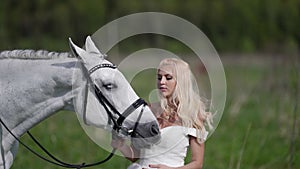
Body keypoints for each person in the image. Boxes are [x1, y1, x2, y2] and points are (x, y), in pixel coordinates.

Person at [111, 58, 213, 169]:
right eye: (159, 77)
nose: (162, 82)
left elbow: (197, 163)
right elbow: (135, 155)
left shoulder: (193, 114)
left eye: (168, 78)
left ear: (181, 81)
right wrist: (120, 144)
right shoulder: (147, 110)